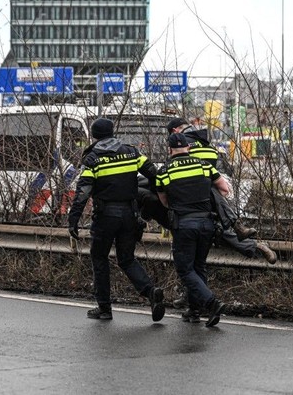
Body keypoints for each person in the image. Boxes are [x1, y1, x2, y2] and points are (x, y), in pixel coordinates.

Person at [67, 118, 166, 322]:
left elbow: (82, 192)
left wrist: (73, 219)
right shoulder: (131, 152)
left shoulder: (93, 158)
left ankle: (104, 308)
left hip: (106, 217)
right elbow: (153, 174)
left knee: (100, 258)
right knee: (127, 259)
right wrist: (164, 198)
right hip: (130, 215)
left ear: (94, 136)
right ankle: (150, 292)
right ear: (112, 132)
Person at [164, 117, 276, 265]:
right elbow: (221, 184)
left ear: (174, 131)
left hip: (191, 201)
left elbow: (177, 175)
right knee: (219, 229)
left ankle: (248, 238)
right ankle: (250, 239)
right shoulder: (206, 143)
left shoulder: (182, 145)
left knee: (214, 233)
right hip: (211, 196)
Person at [156, 132, 227, 327]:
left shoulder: (164, 171)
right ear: (188, 147)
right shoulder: (204, 165)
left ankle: (211, 303)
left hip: (184, 225)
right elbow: (224, 188)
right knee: (199, 266)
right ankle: (195, 310)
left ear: (170, 150)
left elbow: (164, 202)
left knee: (185, 269)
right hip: (206, 224)